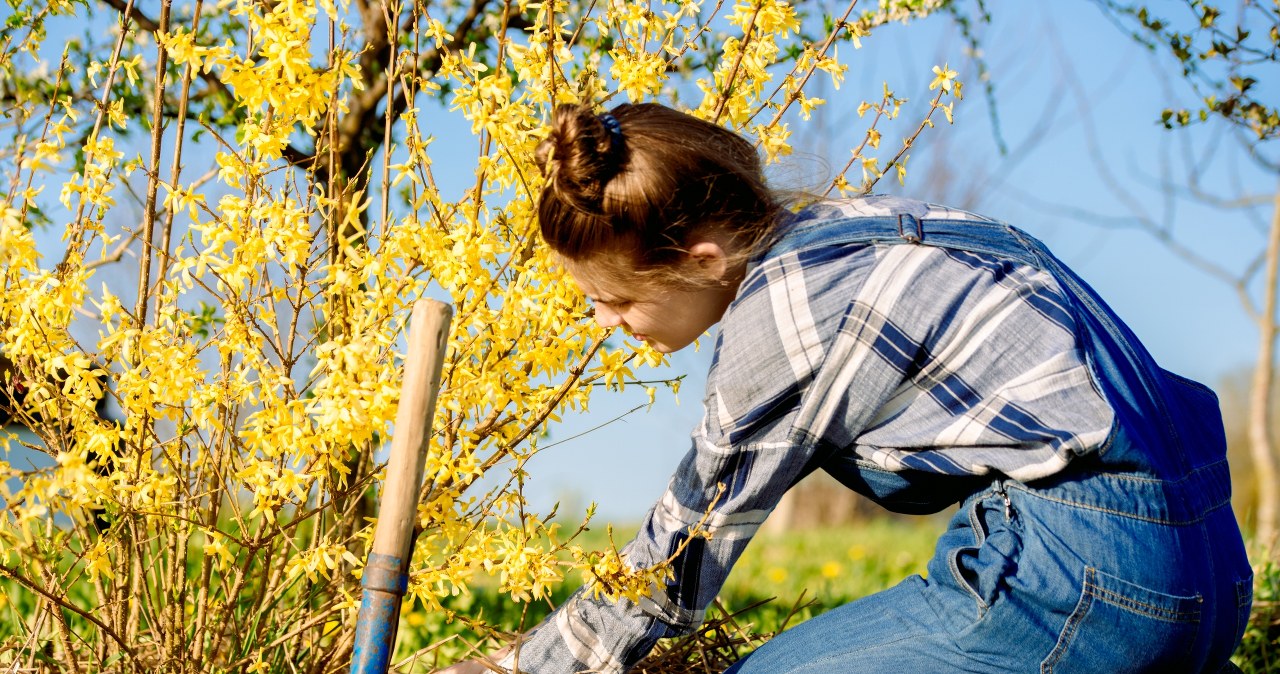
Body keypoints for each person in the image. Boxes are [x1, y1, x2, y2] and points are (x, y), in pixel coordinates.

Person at [442, 102, 1253, 673]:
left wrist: (519, 668)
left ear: (701, 260)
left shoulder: (784, 319)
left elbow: (678, 560)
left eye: (616, 299)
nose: (604, 322)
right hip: (1211, 566)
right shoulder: (858, 228)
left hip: (1086, 581)